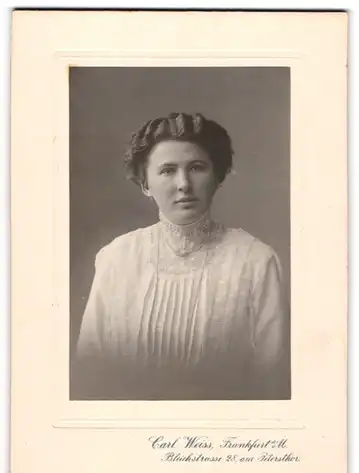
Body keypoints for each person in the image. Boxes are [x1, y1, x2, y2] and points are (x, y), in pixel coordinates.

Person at [72, 112, 290, 401]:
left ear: (219, 176)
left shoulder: (256, 261)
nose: (184, 184)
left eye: (197, 167)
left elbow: (271, 378)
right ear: (145, 184)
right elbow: (91, 369)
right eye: (167, 170)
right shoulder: (116, 258)